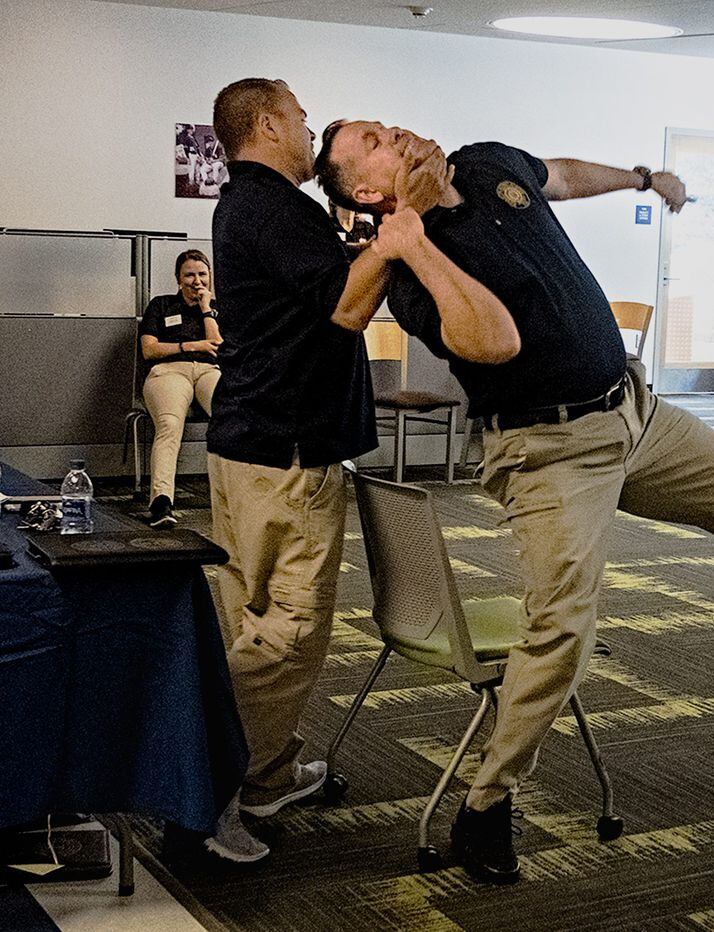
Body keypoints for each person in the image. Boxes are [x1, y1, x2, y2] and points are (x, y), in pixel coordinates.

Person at [315, 120, 714, 885]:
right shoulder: (408, 271)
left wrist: (637, 177)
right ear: (368, 191)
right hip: (548, 450)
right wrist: (416, 238)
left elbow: (557, 173)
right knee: (563, 623)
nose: (396, 130)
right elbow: (491, 344)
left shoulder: (486, 160)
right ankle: (485, 806)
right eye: (374, 140)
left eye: (387, 122)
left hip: (634, 413)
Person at [202, 78, 433, 863]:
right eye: (301, 119)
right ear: (268, 123)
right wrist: (403, 231)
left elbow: (308, 308)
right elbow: (343, 304)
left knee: (252, 617)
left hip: (250, 447)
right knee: (287, 632)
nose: (307, 129)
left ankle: (266, 771)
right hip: (286, 458)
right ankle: (213, 794)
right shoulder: (276, 207)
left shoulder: (250, 206)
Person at [138, 249, 223, 528]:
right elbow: (149, 350)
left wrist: (206, 310)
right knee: (169, 425)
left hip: (208, 371)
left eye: (202, 274)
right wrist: (191, 346)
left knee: (232, 418)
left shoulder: (217, 308)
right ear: (178, 279)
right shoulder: (161, 305)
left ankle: (235, 499)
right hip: (169, 371)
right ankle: (161, 502)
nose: (196, 280)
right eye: (189, 274)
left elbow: (218, 346)